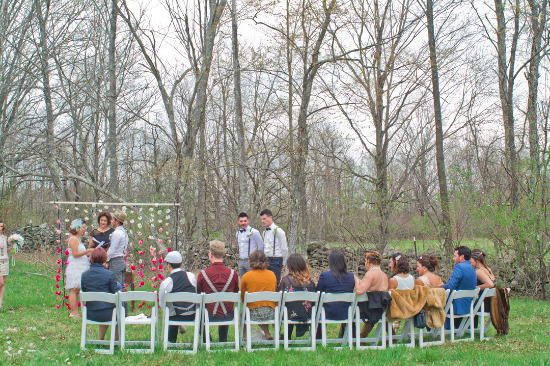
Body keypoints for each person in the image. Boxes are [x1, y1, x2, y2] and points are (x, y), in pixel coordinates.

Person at [196, 240, 239, 343]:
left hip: (208, 315)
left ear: (210, 254)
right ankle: (222, 340)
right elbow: (235, 292)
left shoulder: (203, 274)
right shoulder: (233, 274)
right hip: (228, 315)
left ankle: (207, 340)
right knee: (226, 305)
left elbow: (199, 296)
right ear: (224, 254)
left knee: (197, 312)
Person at [159, 251, 197, 343]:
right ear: (181, 264)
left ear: (168, 265)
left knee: (170, 311)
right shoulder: (191, 276)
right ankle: (207, 340)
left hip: (175, 316)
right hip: (193, 315)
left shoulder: (166, 283)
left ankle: (171, 341)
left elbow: (162, 304)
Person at [81, 247, 118, 340]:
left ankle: (100, 339)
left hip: (90, 313)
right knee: (119, 308)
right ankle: (117, 341)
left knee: (103, 305)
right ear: (105, 259)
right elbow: (114, 293)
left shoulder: (84, 275)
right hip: (108, 314)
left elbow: (85, 291)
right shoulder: (109, 274)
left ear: (92, 259)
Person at [316, 250, 355, 338]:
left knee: (318, 308)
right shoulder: (351, 276)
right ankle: (348, 337)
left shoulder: (325, 276)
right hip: (347, 312)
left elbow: (318, 293)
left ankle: (318, 338)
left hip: (327, 312)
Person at [277, 253, 316, 339]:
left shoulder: (285, 280)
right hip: (307, 314)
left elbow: (279, 297)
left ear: (289, 265)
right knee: (295, 306)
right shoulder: (310, 281)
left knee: (289, 307)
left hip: (289, 314)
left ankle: (287, 335)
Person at [240, 250, 277, 340]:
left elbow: (243, 297)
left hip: (253, 314)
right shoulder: (272, 275)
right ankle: (267, 333)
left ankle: (244, 336)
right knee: (263, 305)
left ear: (250, 261)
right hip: (271, 313)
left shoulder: (246, 276)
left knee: (243, 313)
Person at [354, 250, 390, 337]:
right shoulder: (384, 275)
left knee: (348, 310)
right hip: (381, 308)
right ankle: (392, 337)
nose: (365, 263)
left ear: (369, 261)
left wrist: (356, 280)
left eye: (365, 261)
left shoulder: (370, 274)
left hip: (369, 309)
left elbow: (359, 291)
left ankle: (351, 338)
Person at [442, 246, 477, 329]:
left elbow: (451, 286)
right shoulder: (472, 268)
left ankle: (437, 329)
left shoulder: (459, 267)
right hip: (468, 304)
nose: (453, 259)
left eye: (455, 256)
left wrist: (440, 287)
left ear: (462, 257)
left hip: (457, 305)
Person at [66, 219, 93, 318]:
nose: (84, 230)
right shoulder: (73, 239)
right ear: (77, 228)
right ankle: (74, 313)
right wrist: (88, 251)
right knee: (74, 289)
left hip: (81, 265)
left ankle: (77, 311)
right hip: (76, 267)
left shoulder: (77, 239)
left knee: (77, 289)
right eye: (83, 227)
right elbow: (76, 254)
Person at [260, 209, 288, 286]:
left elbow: (284, 248)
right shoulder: (264, 232)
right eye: (262, 219)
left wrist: (283, 262)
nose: (263, 221)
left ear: (271, 217)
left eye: (264, 219)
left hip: (276, 259)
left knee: (275, 282)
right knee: (265, 283)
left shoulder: (279, 231)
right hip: (266, 260)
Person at [471, 249, 496, 325]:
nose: (470, 263)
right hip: (491, 303)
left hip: (484, 305)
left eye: (471, 260)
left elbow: (490, 284)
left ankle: (468, 328)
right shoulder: (488, 269)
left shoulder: (479, 271)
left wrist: (477, 288)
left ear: (476, 260)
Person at [236, 212, 264, 278]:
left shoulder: (254, 232)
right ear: (238, 222)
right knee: (243, 281)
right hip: (241, 261)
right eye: (241, 221)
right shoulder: (237, 233)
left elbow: (261, 246)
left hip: (251, 261)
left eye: (245, 221)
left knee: (252, 280)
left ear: (248, 221)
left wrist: (257, 259)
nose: (243, 223)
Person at [107, 210, 129, 287]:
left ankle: (119, 299)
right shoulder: (124, 232)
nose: (111, 221)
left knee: (116, 286)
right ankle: (122, 299)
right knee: (121, 286)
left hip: (115, 261)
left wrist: (105, 260)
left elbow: (112, 250)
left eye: (113, 219)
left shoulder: (117, 233)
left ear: (117, 221)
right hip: (121, 260)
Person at [0, 222, 13, 308]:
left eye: (1, 226)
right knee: (0, 282)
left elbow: (5, 250)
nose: (0, 228)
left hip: (5, 260)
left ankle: (0, 302)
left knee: (3, 283)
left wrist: (11, 247)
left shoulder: (4, 237)